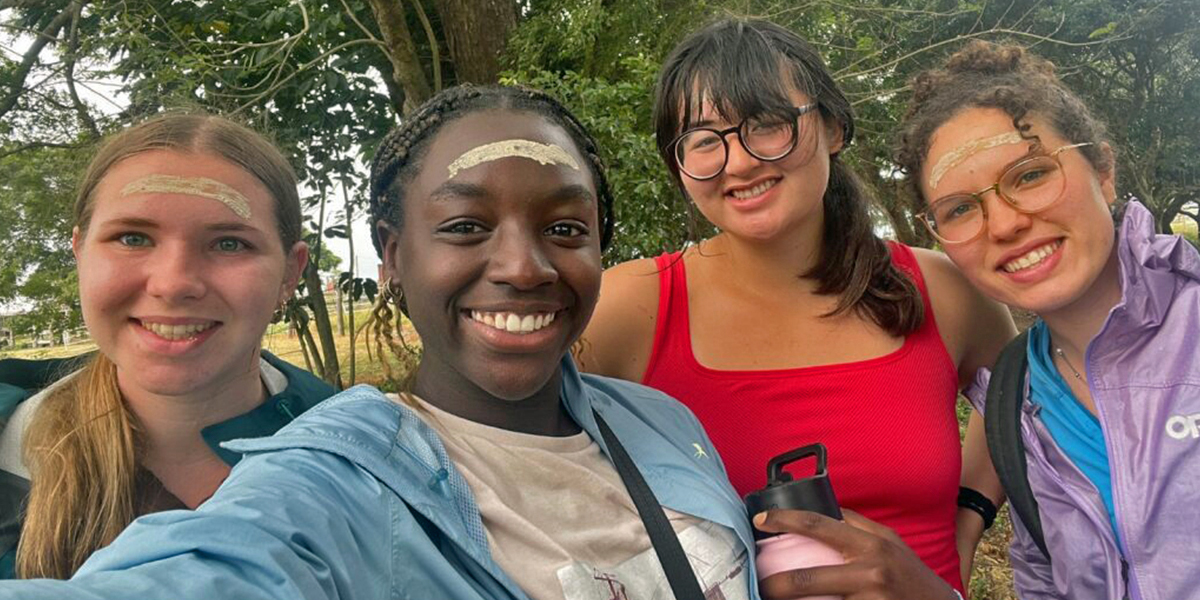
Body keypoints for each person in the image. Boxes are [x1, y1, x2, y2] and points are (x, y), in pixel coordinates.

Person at [0, 85, 965, 600]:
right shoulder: (332, 481)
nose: (524, 267)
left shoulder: (662, 424)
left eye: (565, 228)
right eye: (464, 227)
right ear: (390, 256)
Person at [580, 17, 1014, 593]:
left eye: (767, 124)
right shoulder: (628, 308)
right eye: (705, 141)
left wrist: (971, 510)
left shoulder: (940, 289)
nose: (738, 163)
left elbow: (1031, 399)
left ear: (832, 127)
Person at [895, 40, 1200, 600]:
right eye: (960, 209)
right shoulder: (1016, 409)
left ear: (1103, 171)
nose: (1005, 224)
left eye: (1030, 175)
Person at [0, 114, 335, 579]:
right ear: (80, 253)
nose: (174, 283)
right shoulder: (8, 447)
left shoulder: (363, 455)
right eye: (132, 238)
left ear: (289, 274)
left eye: (229, 244)